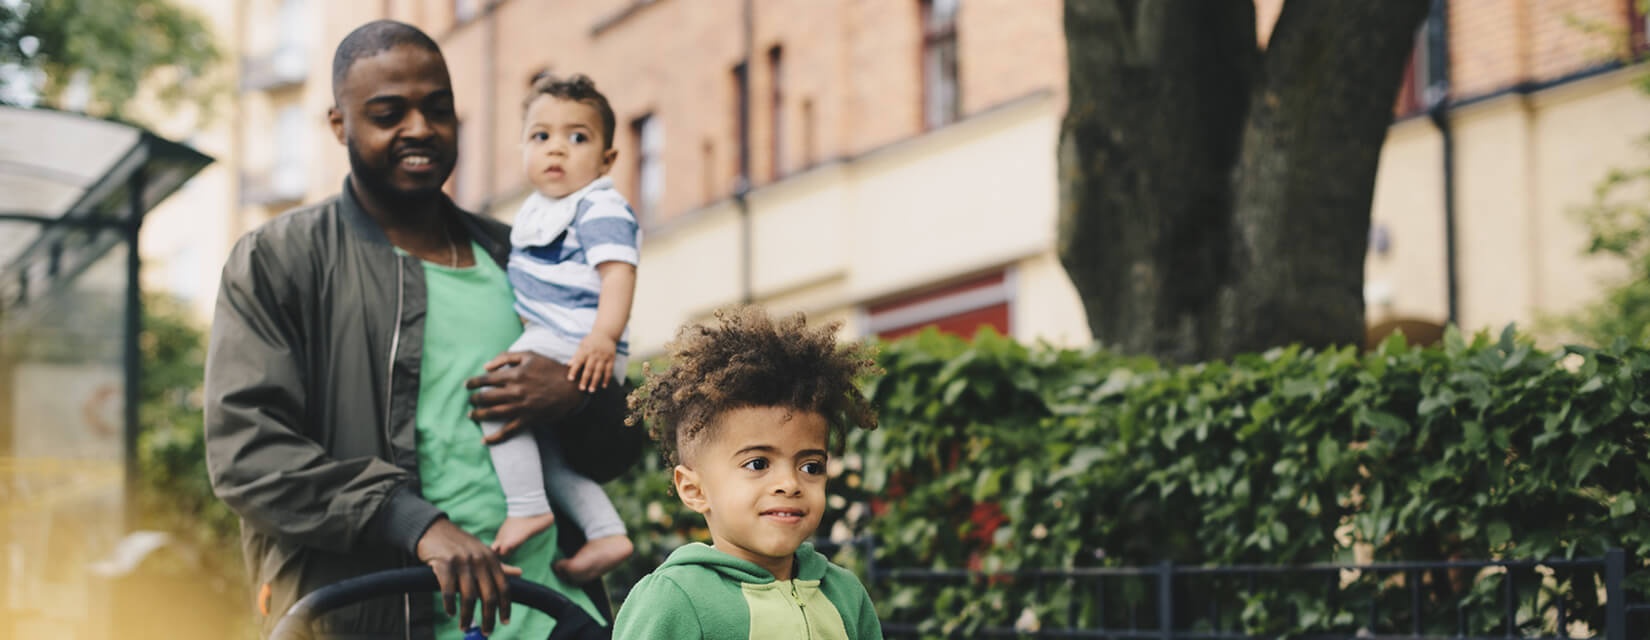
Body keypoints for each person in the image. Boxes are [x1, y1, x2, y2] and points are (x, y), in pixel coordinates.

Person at [204, 20, 616, 640]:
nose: (419, 128)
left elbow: (616, 447)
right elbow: (248, 455)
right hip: (374, 616)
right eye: (388, 112)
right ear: (339, 124)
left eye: (437, 109)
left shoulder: (523, 255)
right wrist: (414, 522)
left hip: (550, 615)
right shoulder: (279, 260)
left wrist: (576, 395)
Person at [613, 306, 885, 639]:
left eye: (811, 466)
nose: (789, 484)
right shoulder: (675, 599)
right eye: (758, 464)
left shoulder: (845, 594)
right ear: (693, 489)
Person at [481, 72, 637, 585]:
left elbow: (617, 272)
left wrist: (603, 337)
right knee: (546, 453)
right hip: (562, 335)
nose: (557, 150)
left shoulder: (598, 204)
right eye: (541, 136)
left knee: (495, 394)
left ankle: (526, 507)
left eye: (578, 137)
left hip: (574, 337)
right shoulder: (537, 212)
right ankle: (605, 530)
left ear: (607, 160)